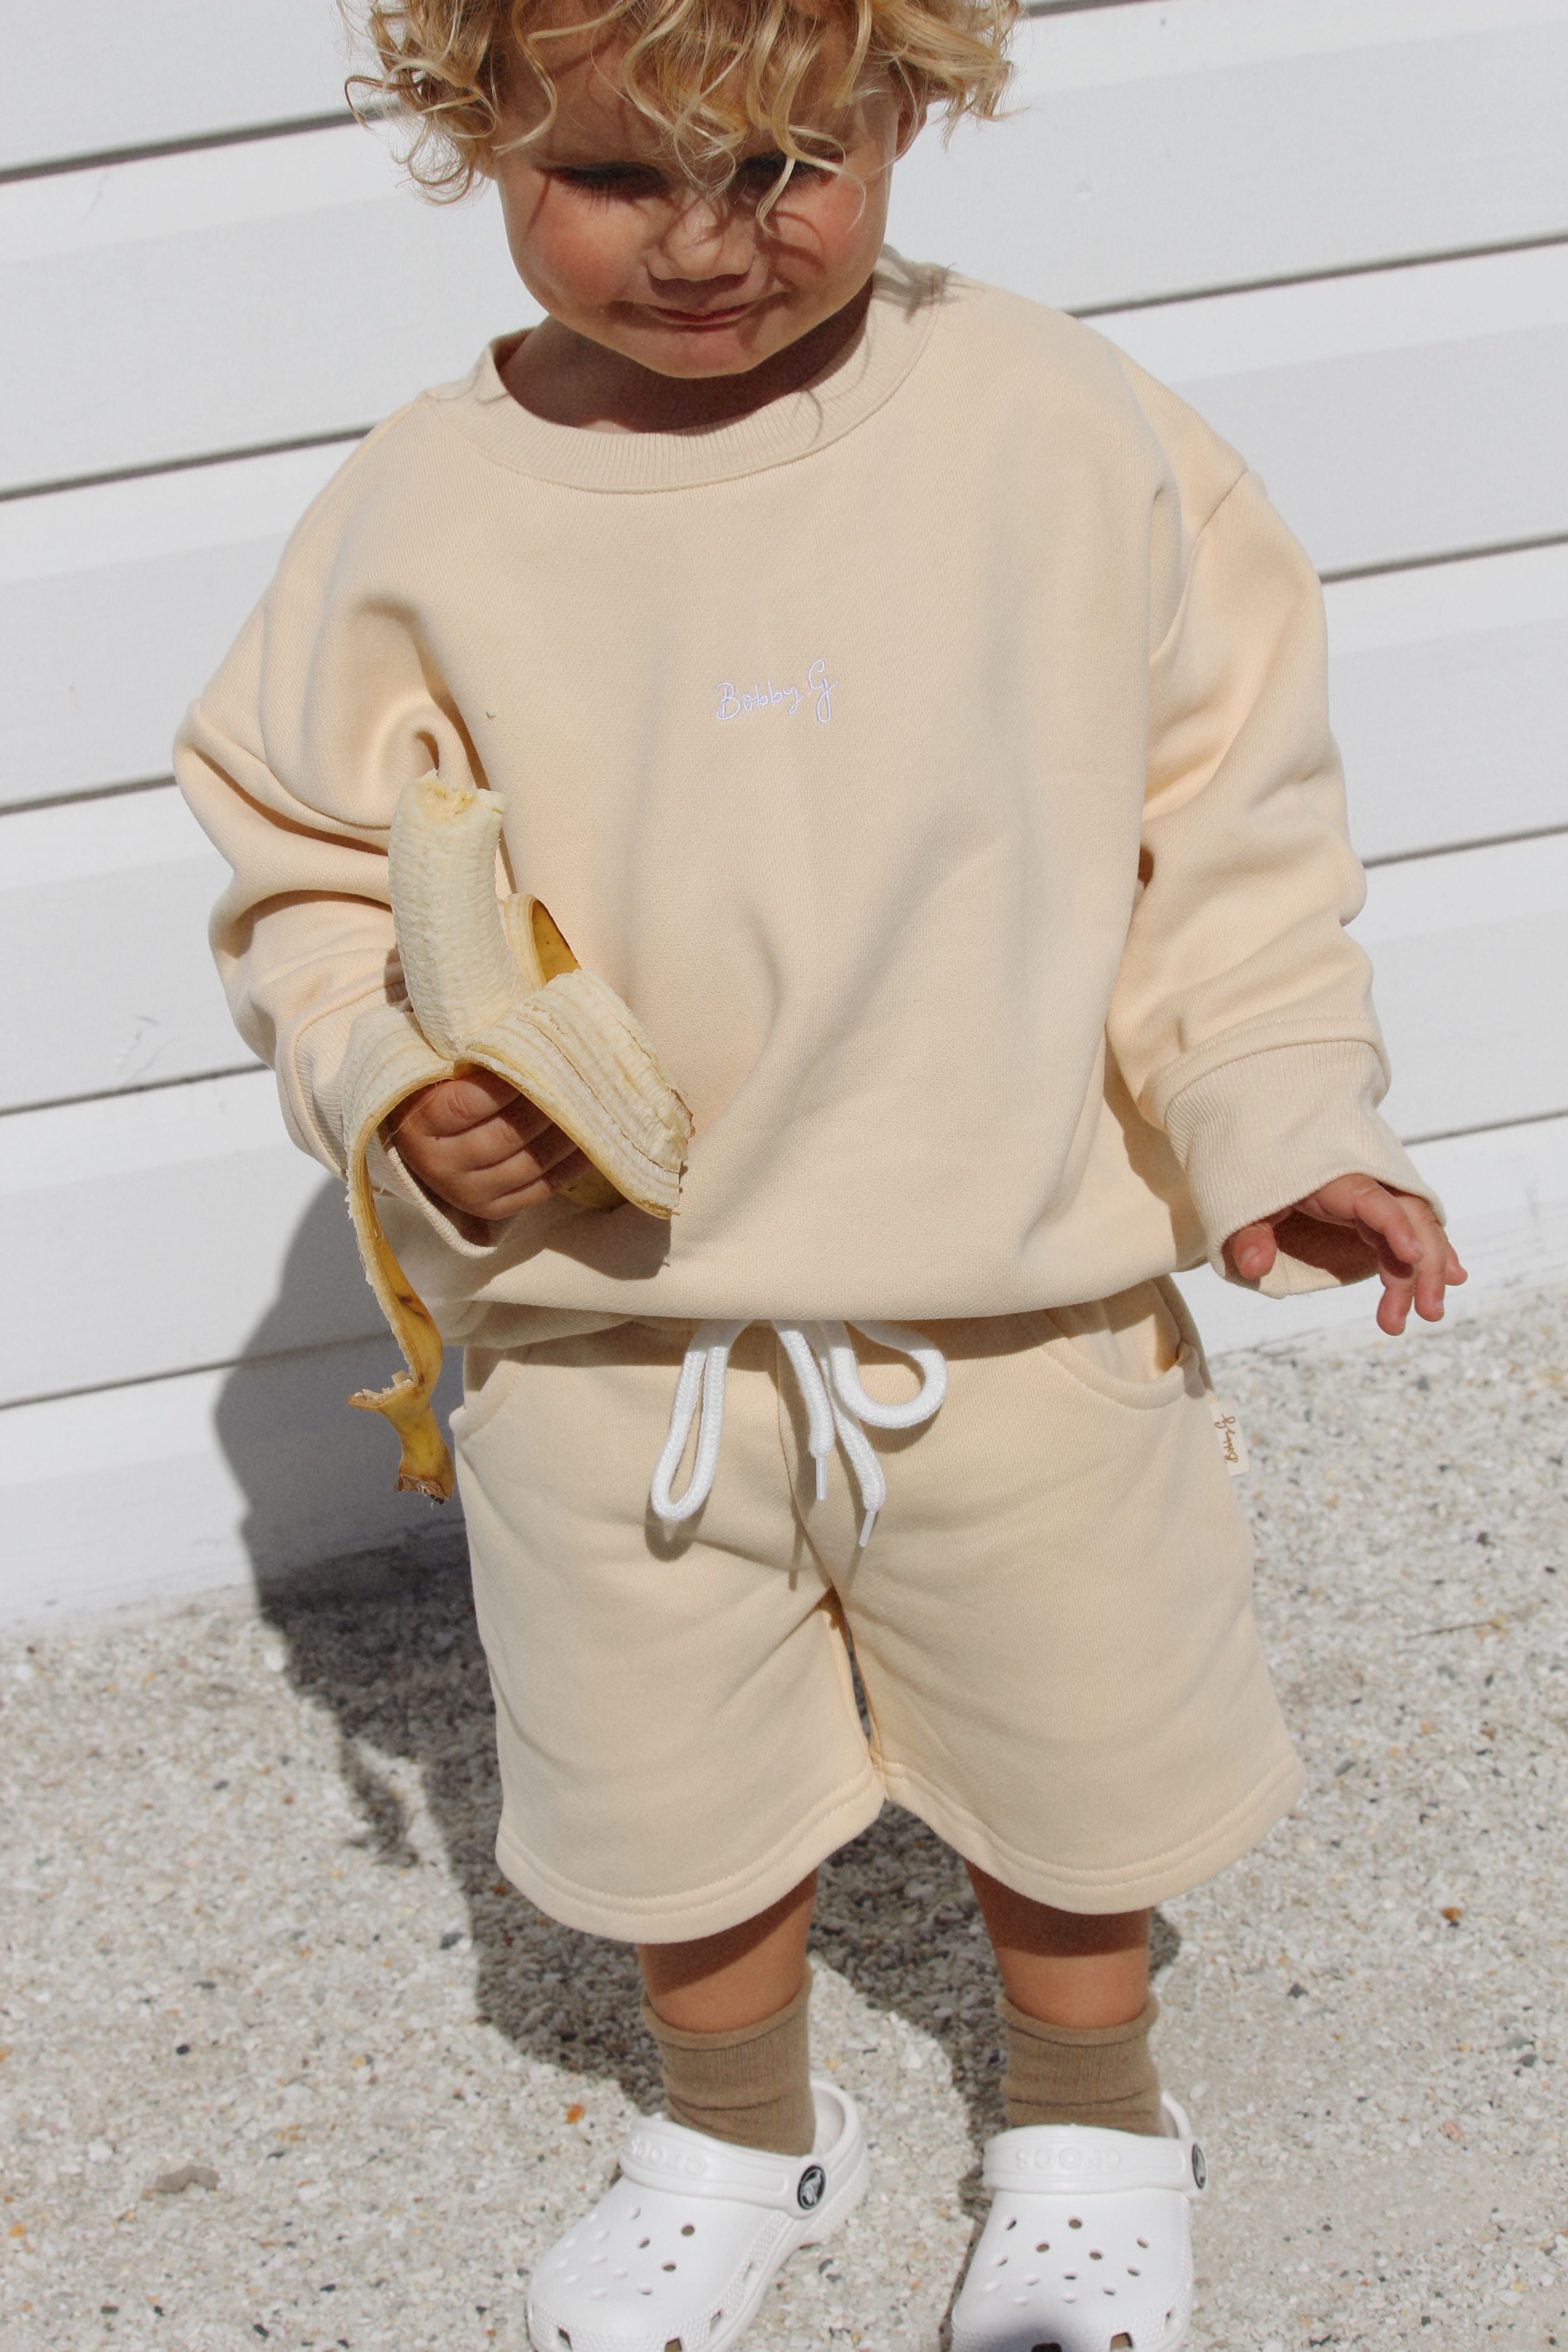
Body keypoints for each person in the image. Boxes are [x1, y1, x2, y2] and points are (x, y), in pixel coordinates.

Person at [175, 0, 1465, 2345]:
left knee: (1082, 1752)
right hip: (614, 1340)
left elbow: (1234, 835)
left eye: (782, 164)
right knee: (673, 1796)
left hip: (1017, 1297)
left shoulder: (1056, 437)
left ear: (910, 100)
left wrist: (1287, 1125)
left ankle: (1089, 2114)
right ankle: (737, 2130)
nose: (706, 246)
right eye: (616, 175)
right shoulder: (421, 519)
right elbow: (302, 870)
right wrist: (385, 1076)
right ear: (481, 130)